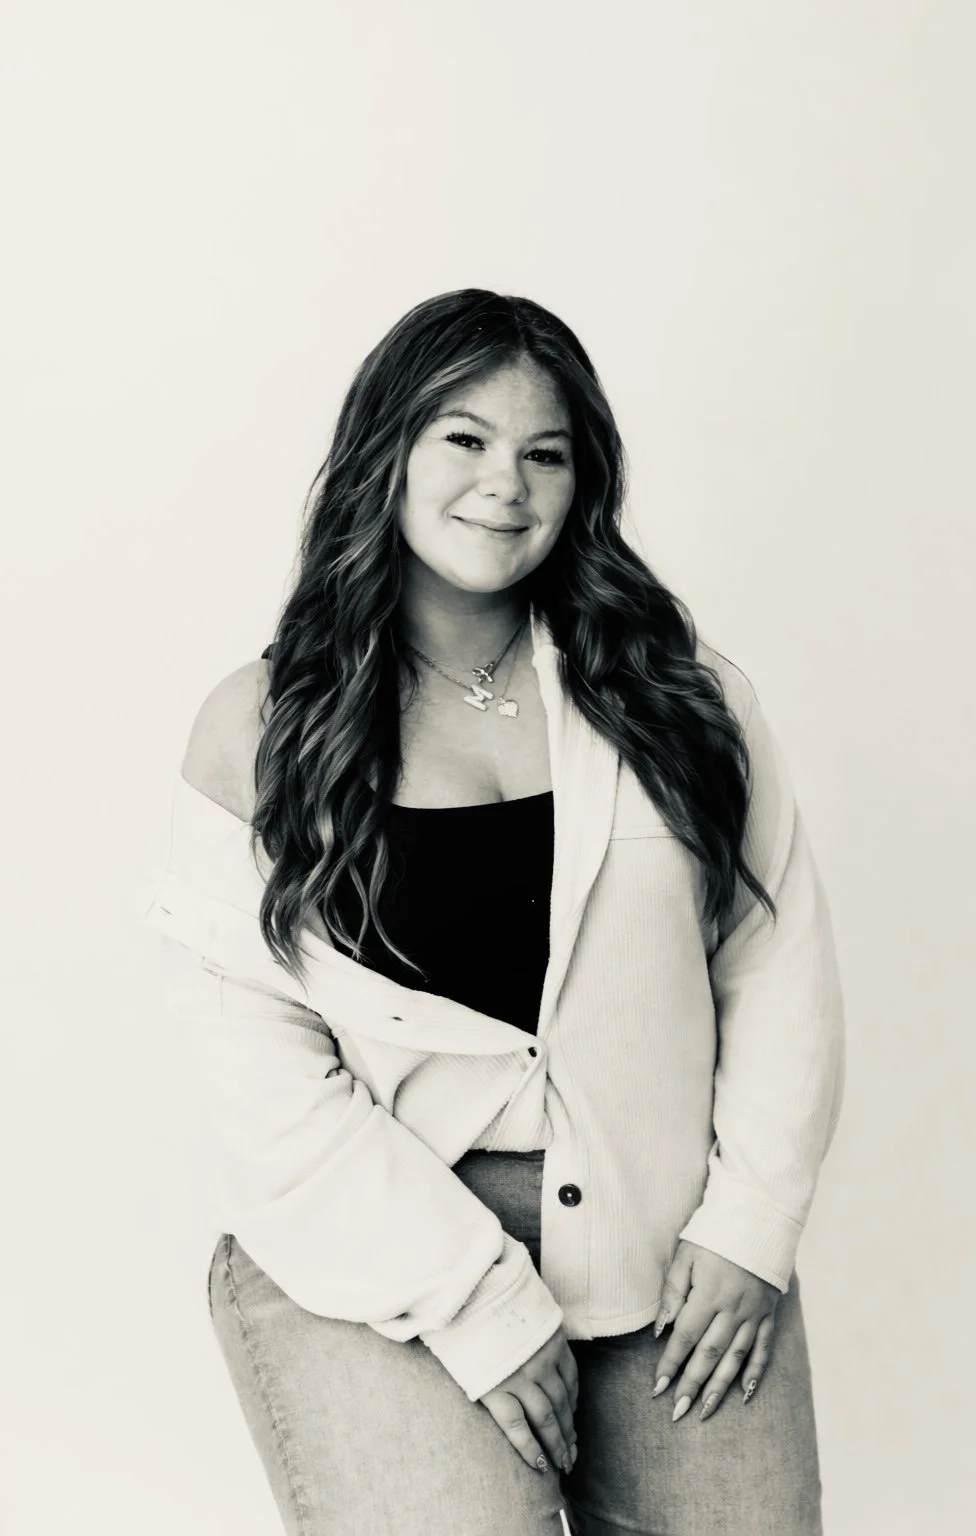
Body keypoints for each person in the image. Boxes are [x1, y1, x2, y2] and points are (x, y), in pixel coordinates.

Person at [142, 287, 845, 1535]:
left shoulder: (681, 698)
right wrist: (478, 1304)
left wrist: (748, 1232)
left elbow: (774, 961)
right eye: (463, 439)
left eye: (546, 453)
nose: (504, 487)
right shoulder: (260, 728)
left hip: (667, 1241)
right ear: (387, 451)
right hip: (371, 1254)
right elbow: (260, 1073)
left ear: (585, 483)